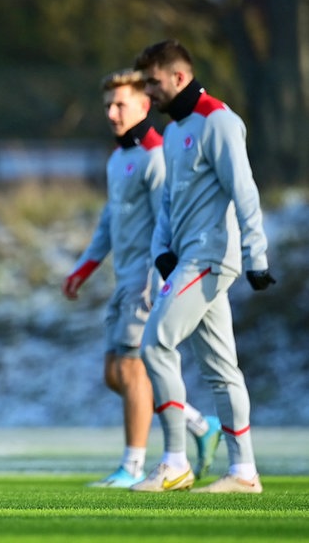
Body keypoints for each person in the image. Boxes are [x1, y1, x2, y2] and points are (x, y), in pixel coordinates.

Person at [63, 68, 222, 489]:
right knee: (114, 375)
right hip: (124, 280)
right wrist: (85, 267)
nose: (112, 113)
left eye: (121, 105)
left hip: (148, 282)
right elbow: (110, 220)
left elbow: (166, 223)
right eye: (108, 106)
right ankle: (198, 422)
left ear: (145, 105)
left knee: (132, 374)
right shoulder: (119, 158)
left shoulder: (156, 156)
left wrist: (161, 279)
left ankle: (132, 466)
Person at [128, 39, 274, 494]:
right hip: (187, 257)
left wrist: (257, 255)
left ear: (179, 77)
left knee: (154, 344)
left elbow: (244, 190)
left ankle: (174, 463)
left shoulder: (219, 121)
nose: (147, 92)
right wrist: (160, 249)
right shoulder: (174, 132)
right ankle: (244, 472)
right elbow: (169, 202)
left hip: (210, 256)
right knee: (221, 369)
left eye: (153, 82)